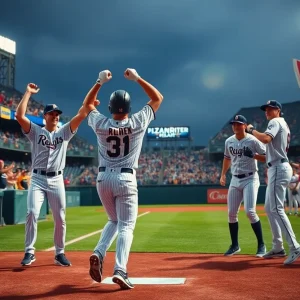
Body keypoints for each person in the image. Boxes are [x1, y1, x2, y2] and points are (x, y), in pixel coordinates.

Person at [83, 68, 163, 289]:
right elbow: (157, 98)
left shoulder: (100, 123)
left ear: (109, 107)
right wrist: (137, 78)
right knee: (126, 225)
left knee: (114, 220)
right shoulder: (138, 121)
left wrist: (99, 82)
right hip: (126, 178)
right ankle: (120, 269)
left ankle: (99, 252)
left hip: (102, 178)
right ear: (129, 108)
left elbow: (87, 106)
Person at [16, 83, 88, 267]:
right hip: (38, 178)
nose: (55, 116)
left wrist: (88, 104)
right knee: (32, 212)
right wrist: (28, 93)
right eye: (52, 114)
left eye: (57, 114)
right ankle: (29, 252)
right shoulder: (35, 131)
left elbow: (80, 116)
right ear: (45, 116)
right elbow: (19, 116)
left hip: (56, 179)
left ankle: (59, 253)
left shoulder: (64, 133)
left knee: (60, 217)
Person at [246, 100, 300, 265]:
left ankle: (295, 246)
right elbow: (268, 155)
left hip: (279, 168)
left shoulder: (276, 122)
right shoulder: (279, 123)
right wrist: (254, 156)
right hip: (276, 165)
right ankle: (278, 247)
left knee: (276, 208)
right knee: (270, 208)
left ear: (278, 110)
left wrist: (251, 130)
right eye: (266, 109)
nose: (267, 111)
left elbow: (266, 139)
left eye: (270, 109)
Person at [220, 115, 267, 257]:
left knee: (249, 211)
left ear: (245, 125)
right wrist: (223, 174)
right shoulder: (229, 141)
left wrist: (253, 155)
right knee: (231, 213)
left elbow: (267, 157)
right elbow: (227, 158)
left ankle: (261, 245)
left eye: (239, 124)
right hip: (235, 179)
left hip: (251, 178)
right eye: (234, 124)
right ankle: (235, 245)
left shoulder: (253, 140)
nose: (235, 126)